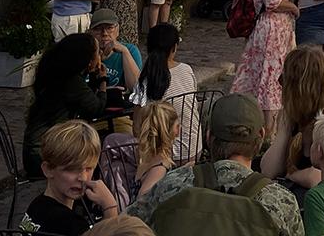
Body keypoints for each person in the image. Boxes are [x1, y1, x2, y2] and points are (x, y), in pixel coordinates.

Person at [126, 93, 303, 236]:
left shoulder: (172, 184)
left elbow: (126, 224)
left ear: (209, 137)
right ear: (261, 136)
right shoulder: (281, 202)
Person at [259, 45, 324, 190]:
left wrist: (294, 176)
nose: (280, 84)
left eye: (284, 80)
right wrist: (285, 130)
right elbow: (268, 171)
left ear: (299, 87)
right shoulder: (293, 113)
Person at [231, 0, 299, 133]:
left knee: (259, 73)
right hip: (272, 30)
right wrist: (293, 8)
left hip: (263, 28)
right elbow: (273, 2)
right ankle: (270, 127)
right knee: (272, 76)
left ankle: (253, 119)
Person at [23, 33, 108, 178]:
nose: (100, 55)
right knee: (93, 155)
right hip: (45, 155)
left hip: (37, 149)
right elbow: (96, 108)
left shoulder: (55, 74)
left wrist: (93, 74)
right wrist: (103, 80)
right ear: (87, 59)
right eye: (97, 52)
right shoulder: (72, 82)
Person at [22, 119, 120, 234]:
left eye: (88, 168)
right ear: (48, 169)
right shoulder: (69, 224)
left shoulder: (37, 205)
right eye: (71, 169)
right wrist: (110, 208)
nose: (83, 178)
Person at [135, 23, 199, 162]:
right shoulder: (187, 70)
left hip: (165, 157)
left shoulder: (146, 79)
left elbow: (137, 127)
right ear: (174, 47)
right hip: (194, 148)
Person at [133, 101, 181, 200]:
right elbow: (142, 199)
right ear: (175, 131)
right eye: (177, 126)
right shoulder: (160, 168)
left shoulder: (146, 157)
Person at [91, 9, 142, 93]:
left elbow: (136, 88)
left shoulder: (130, 50)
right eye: (98, 29)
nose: (104, 33)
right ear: (91, 32)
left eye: (109, 28)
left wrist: (125, 52)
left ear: (117, 30)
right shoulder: (86, 51)